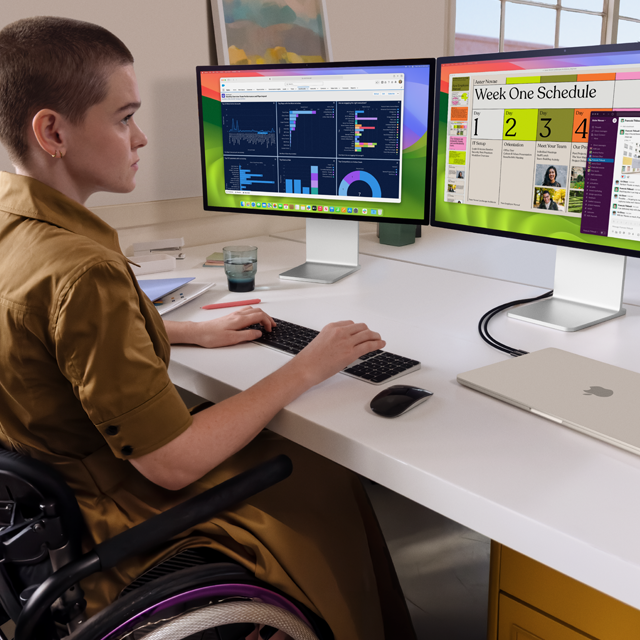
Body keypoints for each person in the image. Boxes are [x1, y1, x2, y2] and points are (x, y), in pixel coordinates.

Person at [0, 16, 416, 640]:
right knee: (320, 472)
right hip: (121, 519)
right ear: (53, 130)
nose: (140, 137)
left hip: (52, 509)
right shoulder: (82, 270)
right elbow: (171, 463)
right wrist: (308, 364)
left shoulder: (15, 229)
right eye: (123, 117)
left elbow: (47, 352)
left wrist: (182, 334)